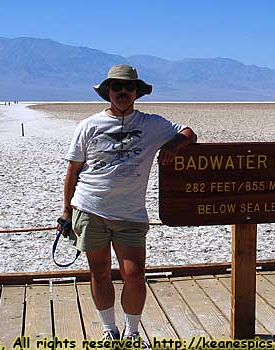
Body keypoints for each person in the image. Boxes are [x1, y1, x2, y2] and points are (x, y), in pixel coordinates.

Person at [59, 64, 196, 344]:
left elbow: (189, 133)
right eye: (117, 87)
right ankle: (109, 330)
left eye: (128, 87)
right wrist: (66, 210)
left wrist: (172, 146)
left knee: (134, 276)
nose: (123, 92)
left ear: (137, 92)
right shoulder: (88, 126)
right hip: (89, 208)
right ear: (108, 91)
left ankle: (132, 333)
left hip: (130, 214)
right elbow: (73, 170)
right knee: (99, 273)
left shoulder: (152, 125)